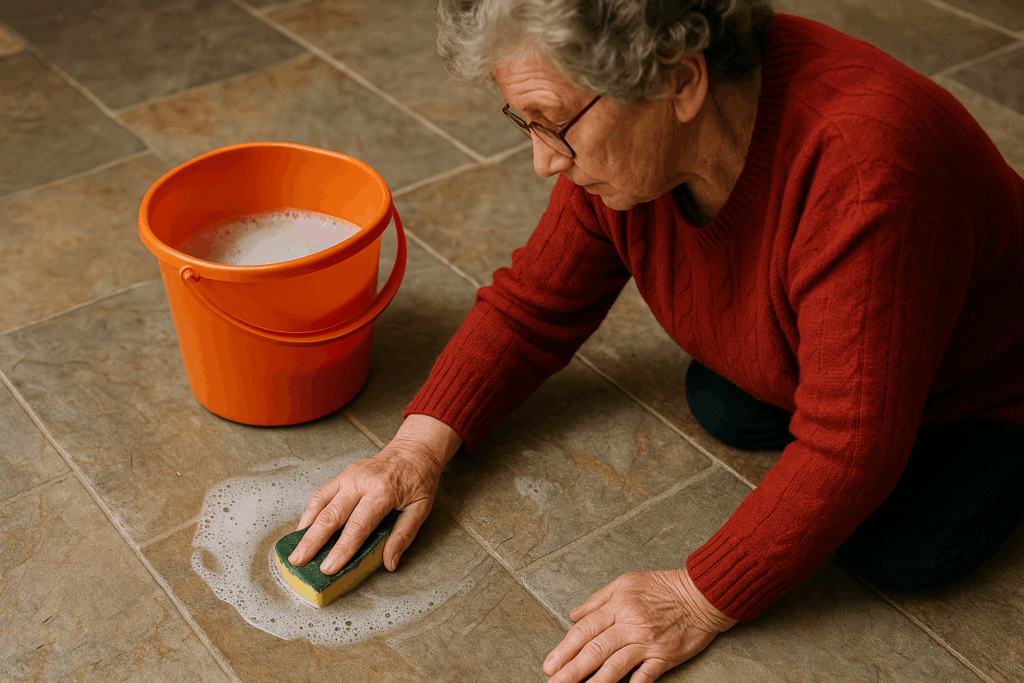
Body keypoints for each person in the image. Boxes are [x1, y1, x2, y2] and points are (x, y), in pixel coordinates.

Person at [288, 1, 1024, 680]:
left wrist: (696, 595)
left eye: (553, 123)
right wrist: (411, 450)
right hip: (862, 341)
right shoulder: (637, 148)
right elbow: (530, 309)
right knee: (726, 401)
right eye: (524, 122)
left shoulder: (867, 173)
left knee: (902, 548)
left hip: (990, 377)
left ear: (678, 81)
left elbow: (850, 445)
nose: (544, 160)